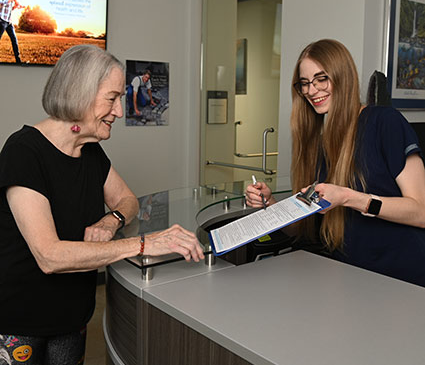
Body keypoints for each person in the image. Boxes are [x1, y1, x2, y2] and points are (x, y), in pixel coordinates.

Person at [0, 45, 204, 364]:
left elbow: (127, 200)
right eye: (112, 98)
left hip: (73, 315)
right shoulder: (24, 152)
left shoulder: (91, 152)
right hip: (20, 320)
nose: (120, 112)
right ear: (78, 94)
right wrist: (142, 244)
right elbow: (49, 256)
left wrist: (112, 220)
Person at [245, 38, 425, 287]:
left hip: (402, 279)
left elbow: (421, 212)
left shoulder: (385, 122)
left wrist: (350, 198)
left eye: (321, 79)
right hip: (349, 277)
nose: (311, 90)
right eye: (305, 83)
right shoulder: (318, 144)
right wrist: (271, 206)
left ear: (343, 76)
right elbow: (302, 230)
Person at [0, 0, 23, 64]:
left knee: (14, 40)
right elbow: (0, 3)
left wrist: (15, 6)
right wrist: (9, 0)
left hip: (9, 21)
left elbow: (10, 8)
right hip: (2, 20)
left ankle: (18, 61)